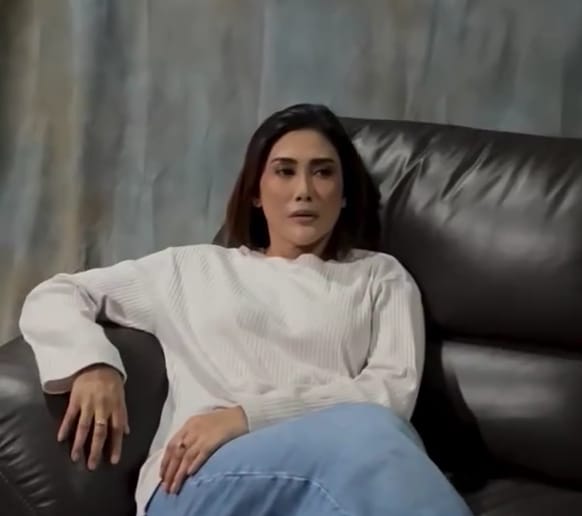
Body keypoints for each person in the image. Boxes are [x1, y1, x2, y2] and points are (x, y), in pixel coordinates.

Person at [19, 103, 473, 516]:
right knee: (369, 440)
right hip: (197, 477)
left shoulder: (381, 277)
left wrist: (245, 417)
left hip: (333, 469)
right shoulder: (192, 268)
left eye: (322, 172)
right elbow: (58, 293)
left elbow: (390, 394)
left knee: (371, 440)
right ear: (256, 191)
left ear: (345, 192)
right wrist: (93, 365)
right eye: (284, 172)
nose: (304, 190)